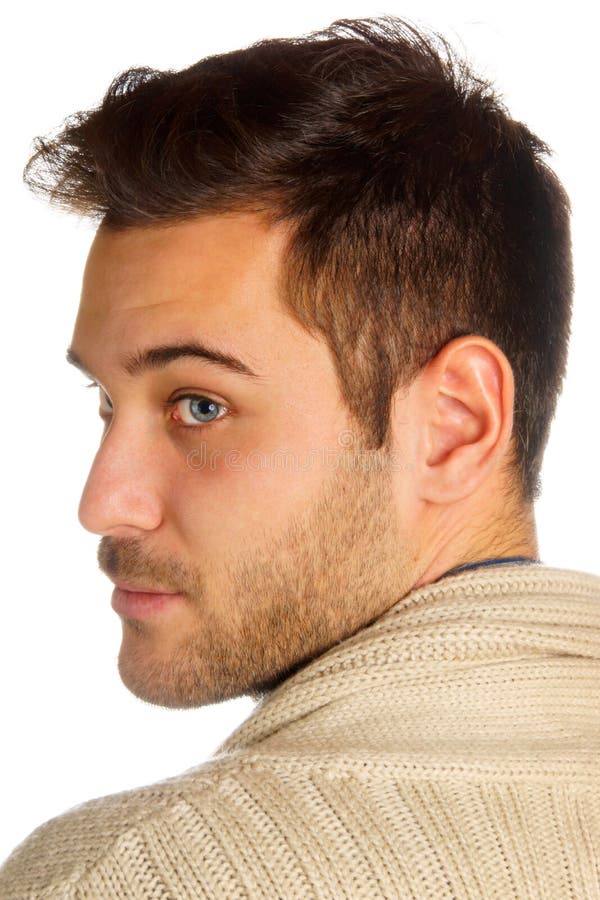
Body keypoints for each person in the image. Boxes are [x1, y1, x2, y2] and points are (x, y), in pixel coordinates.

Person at [1, 14, 598, 898]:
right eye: (104, 403)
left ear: (455, 426)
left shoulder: (136, 875)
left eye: (198, 406)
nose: (104, 502)